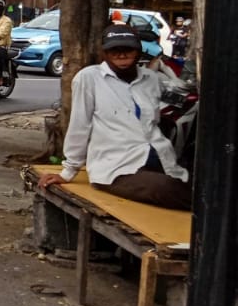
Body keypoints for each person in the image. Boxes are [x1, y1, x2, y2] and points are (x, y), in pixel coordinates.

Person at [38, 23, 191, 210]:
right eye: (114, 51)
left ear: (138, 51)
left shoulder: (150, 79)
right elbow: (80, 125)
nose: (121, 55)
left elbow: (179, 101)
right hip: (117, 169)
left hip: (160, 160)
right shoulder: (89, 78)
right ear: (104, 54)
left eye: (128, 50)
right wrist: (68, 171)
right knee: (167, 188)